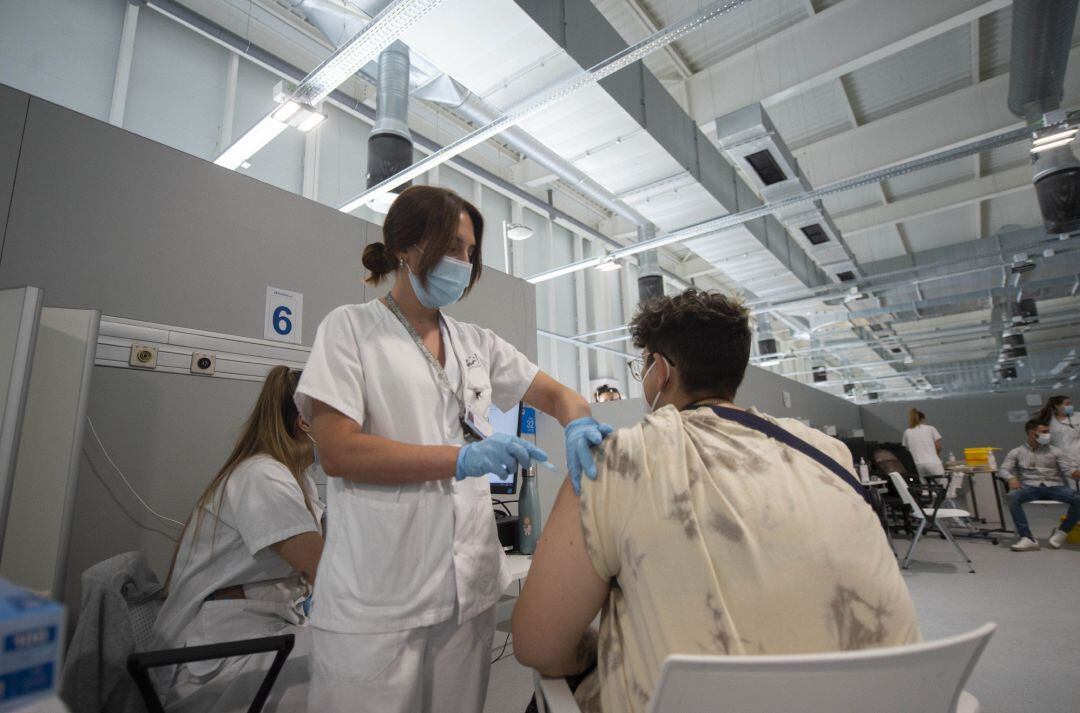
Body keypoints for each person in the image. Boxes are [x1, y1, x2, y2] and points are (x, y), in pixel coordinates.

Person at [512, 289, 920, 713]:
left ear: (660, 371)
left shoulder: (616, 460)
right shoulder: (828, 453)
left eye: (643, 367)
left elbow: (538, 644)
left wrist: (599, 648)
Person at [296, 185, 613, 713]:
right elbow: (339, 452)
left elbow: (560, 395)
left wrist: (578, 423)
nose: (464, 263)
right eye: (453, 248)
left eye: (470, 252)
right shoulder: (350, 330)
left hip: (467, 593)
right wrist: (461, 460)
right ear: (405, 247)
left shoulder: (475, 343)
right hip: (378, 597)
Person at [153, 366, 324, 713]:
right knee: (361, 672)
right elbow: (332, 571)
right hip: (214, 661)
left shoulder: (293, 477)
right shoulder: (262, 477)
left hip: (253, 635)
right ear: (304, 424)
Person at [999, 418, 1080, 552]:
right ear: (1032, 433)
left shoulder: (1055, 451)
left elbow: (1069, 471)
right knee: (1012, 496)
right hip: (1029, 487)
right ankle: (1027, 538)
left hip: (1055, 486)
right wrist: (1011, 478)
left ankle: (1062, 532)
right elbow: (1003, 470)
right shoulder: (1017, 452)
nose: (1048, 434)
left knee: (1078, 498)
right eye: (1044, 432)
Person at [901, 409, 944, 479]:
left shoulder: (907, 432)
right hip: (933, 462)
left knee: (925, 488)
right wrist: (938, 457)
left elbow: (907, 450)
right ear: (923, 419)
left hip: (918, 465)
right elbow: (938, 447)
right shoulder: (930, 428)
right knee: (942, 486)